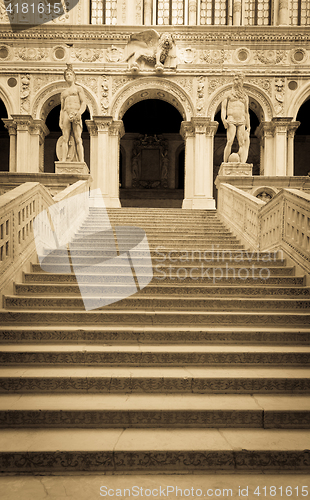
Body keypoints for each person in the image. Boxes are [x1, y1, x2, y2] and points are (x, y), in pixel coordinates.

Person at [221, 73, 250, 163]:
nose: (236, 82)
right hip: (231, 119)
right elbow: (223, 108)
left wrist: (248, 126)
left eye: (238, 80)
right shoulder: (228, 94)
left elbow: (246, 112)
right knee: (230, 141)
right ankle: (225, 163)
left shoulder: (245, 96)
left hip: (242, 120)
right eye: (235, 80)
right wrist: (223, 119)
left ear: (242, 81)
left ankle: (242, 163)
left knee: (242, 143)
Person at [59, 64, 86, 162]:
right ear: (65, 78)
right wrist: (60, 120)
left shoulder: (78, 89)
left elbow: (83, 103)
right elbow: (62, 109)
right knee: (65, 138)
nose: (68, 76)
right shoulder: (63, 93)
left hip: (76, 112)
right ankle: (63, 160)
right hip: (66, 113)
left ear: (74, 76)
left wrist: (79, 113)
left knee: (78, 138)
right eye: (67, 75)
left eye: (70, 74)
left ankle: (81, 160)